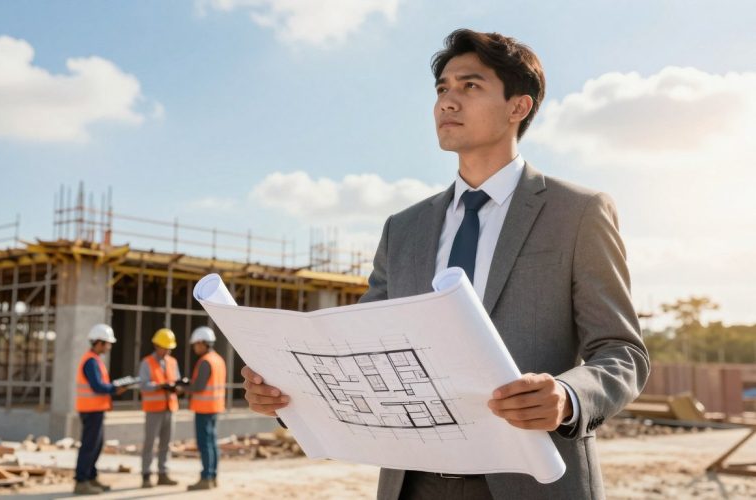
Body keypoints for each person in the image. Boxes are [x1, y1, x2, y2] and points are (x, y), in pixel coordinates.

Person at [241, 28, 649, 499]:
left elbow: (623, 352)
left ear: (519, 106)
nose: (446, 102)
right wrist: (288, 393)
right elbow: (357, 350)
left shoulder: (577, 212)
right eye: (442, 89)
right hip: (412, 483)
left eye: (469, 86)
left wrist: (568, 396)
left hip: (534, 481)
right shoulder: (403, 228)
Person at [74, 323, 130, 495]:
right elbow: (97, 386)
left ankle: (91, 477)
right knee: (89, 446)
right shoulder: (91, 361)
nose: (109, 346)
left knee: (96, 446)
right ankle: (81, 481)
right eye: (107, 343)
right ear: (99, 342)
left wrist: (113, 387)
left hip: (96, 409)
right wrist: (114, 388)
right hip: (91, 410)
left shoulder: (95, 360)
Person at [177, 326, 226, 491]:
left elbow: (198, 386)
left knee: (205, 444)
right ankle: (213, 477)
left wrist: (182, 388)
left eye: (196, 344)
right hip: (215, 407)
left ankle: (206, 478)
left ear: (203, 343)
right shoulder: (218, 359)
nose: (194, 348)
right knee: (212, 443)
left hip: (204, 408)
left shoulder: (205, 361)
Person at [139, 328, 181, 488]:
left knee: (166, 444)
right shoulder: (146, 363)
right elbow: (143, 385)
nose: (167, 351)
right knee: (150, 443)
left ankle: (163, 474)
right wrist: (160, 386)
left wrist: (177, 387)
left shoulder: (172, 362)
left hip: (170, 408)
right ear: (157, 346)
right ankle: (146, 475)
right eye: (165, 347)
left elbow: (175, 380)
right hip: (153, 409)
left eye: (169, 348)